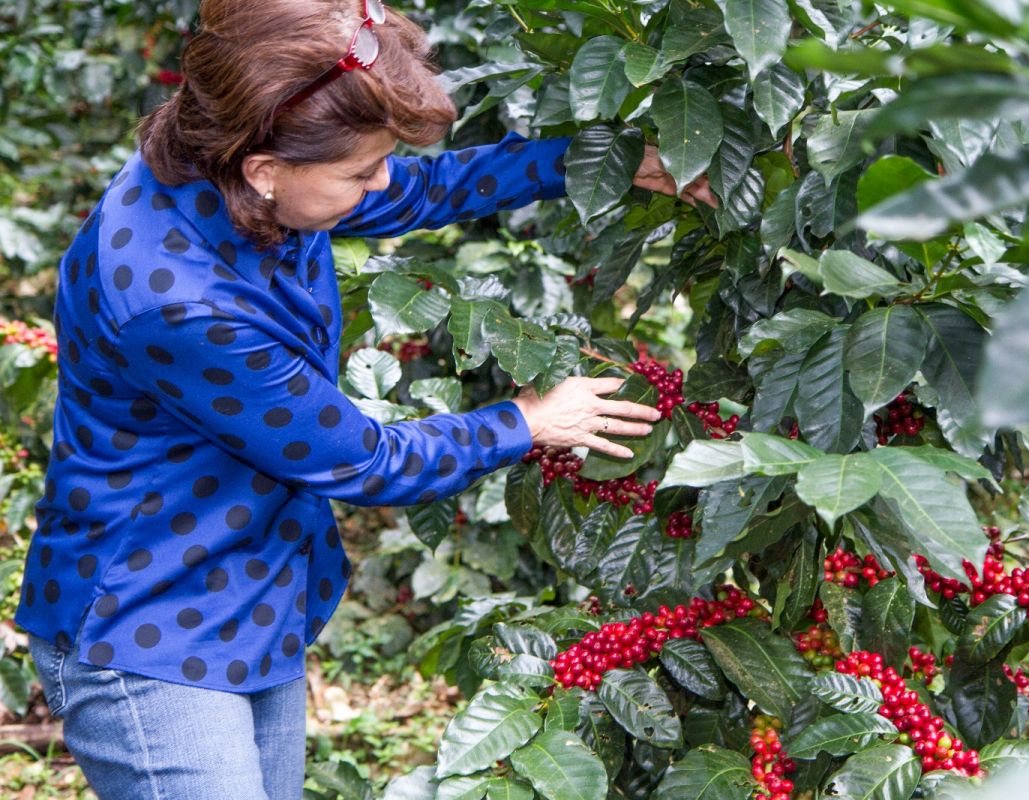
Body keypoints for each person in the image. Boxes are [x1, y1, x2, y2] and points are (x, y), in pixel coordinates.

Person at [13, 1, 713, 797]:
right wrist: (525, 422)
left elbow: (418, 190)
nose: (378, 182)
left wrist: (596, 163)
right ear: (265, 169)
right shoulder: (179, 300)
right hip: (152, 632)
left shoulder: (247, 169)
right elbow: (363, 460)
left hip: (248, 594)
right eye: (359, 172)